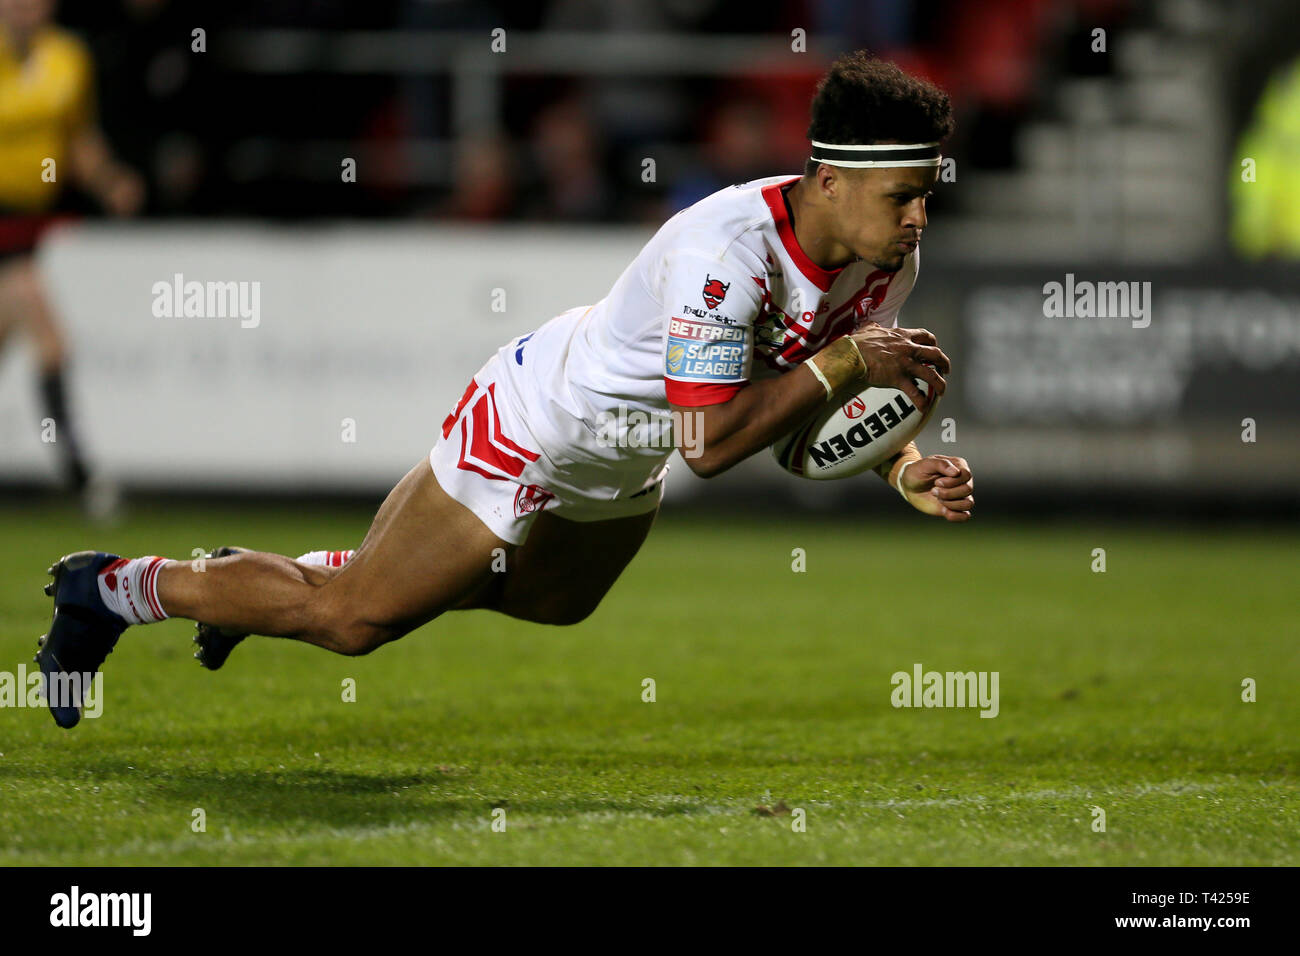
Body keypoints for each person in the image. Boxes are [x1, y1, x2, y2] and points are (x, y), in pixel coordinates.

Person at [35, 52, 974, 728]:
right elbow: (715, 444)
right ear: (828, 180)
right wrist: (850, 368)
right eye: (903, 194)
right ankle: (114, 589)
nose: (918, 215)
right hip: (538, 423)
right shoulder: (723, 257)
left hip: (621, 455)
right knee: (356, 621)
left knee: (552, 602)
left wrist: (901, 466)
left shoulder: (886, 261)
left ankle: (277, 581)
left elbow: (815, 396)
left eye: (925, 192)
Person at [0, 0, 144, 507]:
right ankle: (81, 476)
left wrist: (110, 182)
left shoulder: (68, 58)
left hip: (26, 223)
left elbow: (78, 140)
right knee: (49, 338)